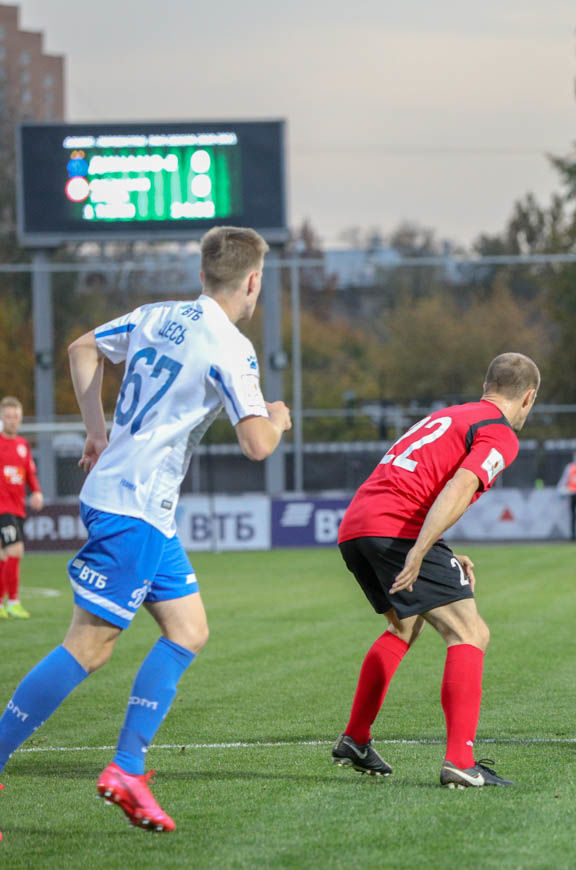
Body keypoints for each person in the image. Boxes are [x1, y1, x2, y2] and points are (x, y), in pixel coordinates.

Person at [0, 226, 291, 833]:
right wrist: (278, 418)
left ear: (203, 274)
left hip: (143, 509)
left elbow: (82, 349)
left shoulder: (157, 316)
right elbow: (257, 444)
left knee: (188, 630)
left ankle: (128, 769)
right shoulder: (232, 346)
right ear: (252, 282)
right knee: (89, 645)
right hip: (131, 508)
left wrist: (97, 431)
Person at [332, 352, 540, 788]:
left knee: (403, 626)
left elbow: (416, 482)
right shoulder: (499, 432)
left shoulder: (450, 416)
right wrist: (421, 549)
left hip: (357, 526)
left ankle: (356, 738)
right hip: (398, 530)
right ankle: (461, 762)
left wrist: (438, 549)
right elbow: (460, 485)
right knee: (469, 633)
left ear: (486, 386)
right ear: (529, 398)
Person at [0, 396, 45, 620]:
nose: (12, 420)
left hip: (18, 507)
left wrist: (36, 491)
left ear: (20, 418)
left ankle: (2, 603)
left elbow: (29, 472)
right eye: (8, 416)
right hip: (2, 507)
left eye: (15, 416)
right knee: (15, 550)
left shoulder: (22, 445)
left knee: (3, 555)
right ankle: (14, 602)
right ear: (2, 418)